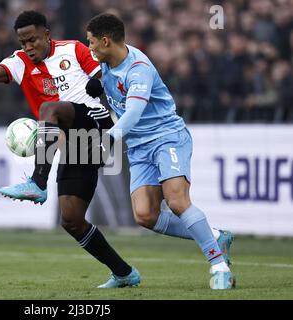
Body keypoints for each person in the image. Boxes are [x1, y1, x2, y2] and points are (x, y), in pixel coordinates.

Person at [0, 10, 140, 288]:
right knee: (71, 220)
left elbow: (103, 72)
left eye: (32, 40)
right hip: (74, 143)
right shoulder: (20, 62)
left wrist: (98, 84)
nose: (28, 47)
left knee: (49, 108)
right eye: (23, 42)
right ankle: (124, 273)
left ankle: (37, 181)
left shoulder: (73, 48)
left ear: (46, 34)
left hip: (96, 126)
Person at [85, 13, 236, 289]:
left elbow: (133, 112)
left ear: (106, 41)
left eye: (92, 42)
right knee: (145, 215)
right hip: (139, 147)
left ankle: (218, 266)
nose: (90, 48)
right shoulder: (105, 65)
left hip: (167, 138)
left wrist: (109, 137)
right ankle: (215, 235)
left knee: (177, 201)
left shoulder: (138, 68)